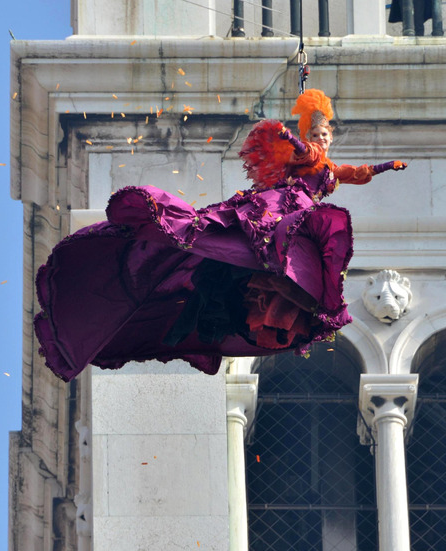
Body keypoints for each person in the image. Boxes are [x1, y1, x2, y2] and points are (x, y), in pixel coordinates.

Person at [33, 89, 407, 381]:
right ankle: (211, 294)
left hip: (300, 222)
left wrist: (389, 165)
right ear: (311, 132)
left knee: (283, 270)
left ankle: (237, 301)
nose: (322, 140)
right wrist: (286, 137)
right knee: (243, 244)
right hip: (283, 210)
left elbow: (358, 172)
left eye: (326, 135)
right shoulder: (308, 154)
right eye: (318, 133)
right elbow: (296, 151)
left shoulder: (329, 167)